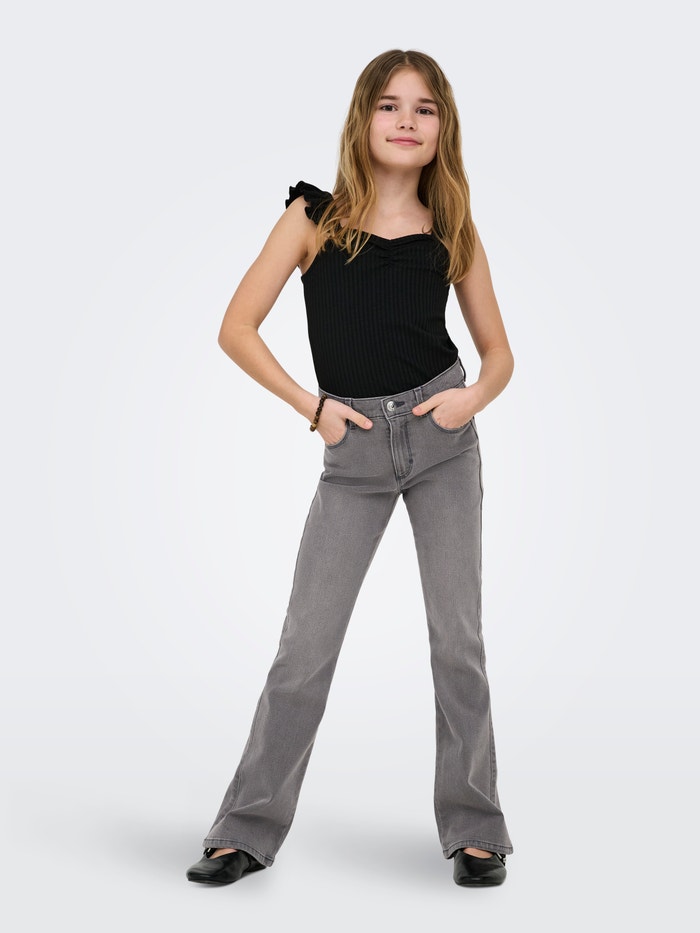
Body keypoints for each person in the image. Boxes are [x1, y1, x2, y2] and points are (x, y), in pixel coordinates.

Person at [186, 48, 514, 889]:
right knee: (306, 644)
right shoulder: (313, 217)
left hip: (442, 442)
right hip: (354, 447)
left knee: (458, 639)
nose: (406, 120)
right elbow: (236, 327)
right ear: (363, 118)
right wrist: (313, 406)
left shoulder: (453, 228)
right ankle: (244, 828)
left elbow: (499, 354)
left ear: (442, 129)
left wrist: (470, 400)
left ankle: (477, 828)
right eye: (390, 105)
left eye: (425, 108)